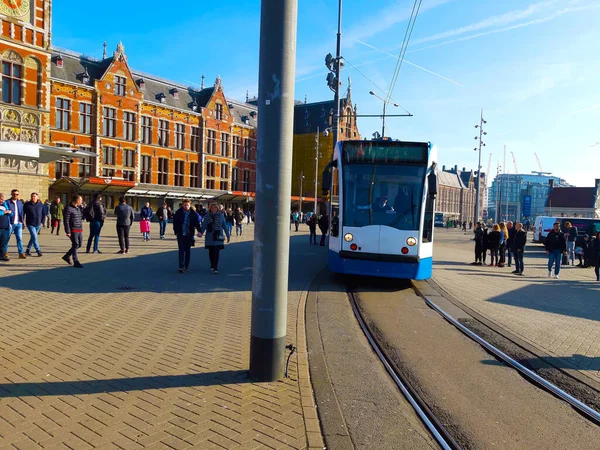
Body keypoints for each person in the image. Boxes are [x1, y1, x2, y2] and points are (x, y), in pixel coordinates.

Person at [173, 199, 202, 273]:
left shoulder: (193, 213)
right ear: (183, 205)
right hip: (181, 234)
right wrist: (176, 231)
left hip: (189, 234)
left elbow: (197, 223)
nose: (186, 206)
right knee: (181, 250)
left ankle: (186, 265)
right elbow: (175, 222)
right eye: (185, 205)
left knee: (188, 250)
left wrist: (199, 231)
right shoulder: (178, 212)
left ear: (190, 205)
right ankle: (181, 266)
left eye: (188, 205)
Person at [201, 202, 231, 274]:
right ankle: (212, 264)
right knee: (211, 252)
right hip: (209, 237)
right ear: (210, 208)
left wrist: (228, 235)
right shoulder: (207, 216)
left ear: (217, 208)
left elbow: (224, 226)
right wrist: (201, 233)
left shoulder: (221, 216)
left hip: (218, 236)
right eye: (212, 208)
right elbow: (204, 226)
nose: (213, 209)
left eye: (215, 208)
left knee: (216, 252)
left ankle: (215, 267)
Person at [62, 195, 84, 268]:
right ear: (76, 200)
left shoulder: (78, 208)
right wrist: (68, 231)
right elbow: (66, 221)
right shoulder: (68, 208)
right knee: (75, 244)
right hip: (73, 229)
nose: (81, 202)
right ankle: (76, 261)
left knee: (79, 244)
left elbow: (80, 218)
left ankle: (67, 256)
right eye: (80, 200)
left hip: (79, 228)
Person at [6, 189, 25, 259]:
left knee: (19, 239)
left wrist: (22, 222)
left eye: (17, 194)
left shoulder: (20, 202)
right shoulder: (7, 202)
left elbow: (21, 213)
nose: (15, 195)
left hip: (18, 223)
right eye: (14, 194)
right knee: (7, 239)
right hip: (10, 223)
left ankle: (21, 253)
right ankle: (5, 252)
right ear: (11, 194)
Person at [23, 192, 44, 257]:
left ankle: (28, 250)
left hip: (38, 224)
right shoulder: (27, 204)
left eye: (34, 196)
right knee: (35, 237)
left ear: (37, 197)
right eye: (32, 196)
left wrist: (42, 222)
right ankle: (38, 251)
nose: (33, 197)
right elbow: (23, 214)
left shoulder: (41, 205)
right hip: (30, 223)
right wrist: (22, 222)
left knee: (33, 237)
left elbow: (44, 214)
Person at [0, 193, 11, 262]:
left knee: (4, 243)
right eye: (1, 199)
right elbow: (3, 213)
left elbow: (10, 214)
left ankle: (2, 256)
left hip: (6, 227)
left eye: (3, 200)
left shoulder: (5, 205)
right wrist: (3, 212)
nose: (2, 201)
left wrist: (10, 212)